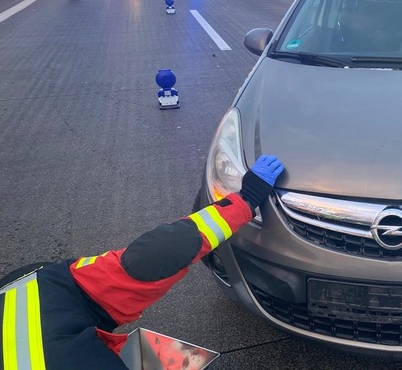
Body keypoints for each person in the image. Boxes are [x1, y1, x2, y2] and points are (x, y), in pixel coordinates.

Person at [0, 154, 284, 368]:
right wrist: (247, 199)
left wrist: (244, 202)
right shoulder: (31, 288)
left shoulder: (48, 298)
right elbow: (155, 255)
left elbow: (153, 257)